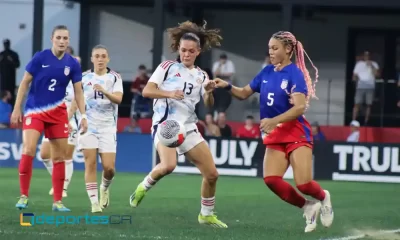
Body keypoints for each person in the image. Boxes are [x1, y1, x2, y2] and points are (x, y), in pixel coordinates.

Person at [214, 31, 334, 232]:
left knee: (303, 184)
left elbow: (299, 107)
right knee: (271, 180)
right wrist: (226, 85)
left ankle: (323, 197)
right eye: (269, 48)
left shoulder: (295, 73)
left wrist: (273, 121)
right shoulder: (267, 72)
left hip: (295, 132)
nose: (270, 52)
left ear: (288, 49)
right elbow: (244, 93)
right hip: (275, 135)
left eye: (275, 48)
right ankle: (308, 206)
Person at [129, 20, 227, 228]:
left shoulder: (201, 76)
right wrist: (169, 93)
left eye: (191, 51)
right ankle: (142, 187)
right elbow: (147, 91)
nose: (186, 54)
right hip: (166, 125)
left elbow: (208, 104)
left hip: (189, 127)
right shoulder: (167, 67)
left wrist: (209, 91)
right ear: (178, 50)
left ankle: (206, 214)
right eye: (183, 50)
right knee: (169, 166)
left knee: (212, 174)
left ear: (198, 51)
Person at [11, 25, 87, 212]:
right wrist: (16, 108)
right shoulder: (40, 57)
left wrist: (83, 115)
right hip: (35, 111)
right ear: (52, 39)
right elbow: (24, 82)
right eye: (59, 37)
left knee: (59, 157)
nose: (62, 41)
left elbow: (78, 92)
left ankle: (58, 202)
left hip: (58, 114)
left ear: (68, 41)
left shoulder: (73, 64)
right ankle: (23, 196)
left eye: (65, 38)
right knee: (29, 149)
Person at [78, 45, 123, 213]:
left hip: (108, 127)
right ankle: (94, 203)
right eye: (97, 56)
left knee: (109, 168)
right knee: (90, 164)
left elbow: (118, 99)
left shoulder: (115, 77)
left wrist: (104, 91)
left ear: (108, 59)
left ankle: (104, 188)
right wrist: (71, 118)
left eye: (103, 56)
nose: (100, 59)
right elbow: (77, 99)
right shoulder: (83, 78)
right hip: (88, 125)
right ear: (92, 59)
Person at [40, 81, 80, 198]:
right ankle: (59, 180)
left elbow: (75, 104)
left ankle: (63, 188)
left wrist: (66, 121)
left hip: (70, 120)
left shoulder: (77, 82)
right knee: (44, 154)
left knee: (66, 156)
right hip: (53, 120)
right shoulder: (54, 79)